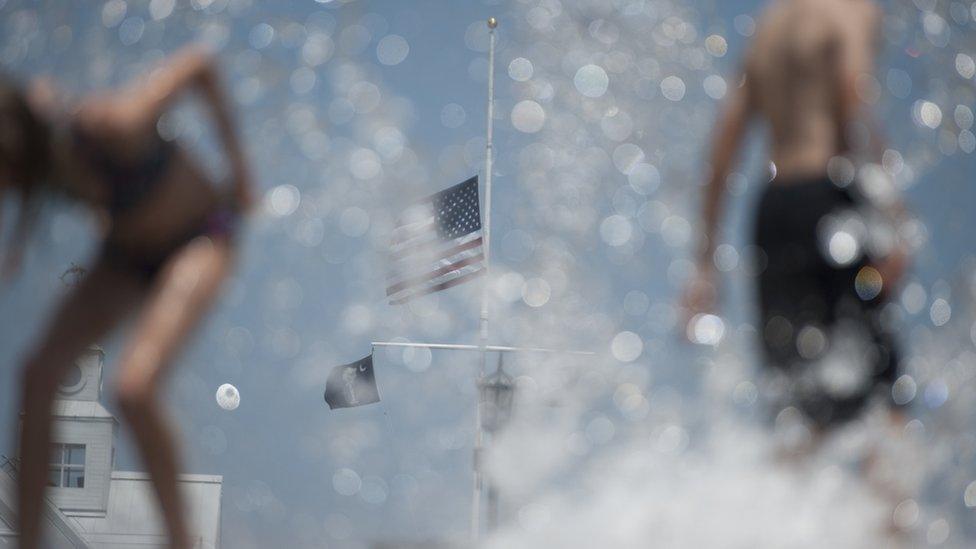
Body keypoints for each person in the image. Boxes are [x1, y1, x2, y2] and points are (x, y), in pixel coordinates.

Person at [0, 44, 252, 548]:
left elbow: (201, 64)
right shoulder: (39, 165)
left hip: (202, 237)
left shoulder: (113, 122)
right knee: (37, 374)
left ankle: (180, 540)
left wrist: (240, 171)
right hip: (126, 257)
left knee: (135, 388)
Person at [682, 0, 911, 434]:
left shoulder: (769, 26)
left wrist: (703, 265)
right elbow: (853, 97)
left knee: (796, 408)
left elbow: (724, 142)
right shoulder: (850, 9)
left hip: (771, 214)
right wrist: (893, 219)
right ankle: (892, 500)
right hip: (829, 199)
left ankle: (783, 498)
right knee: (884, 399)